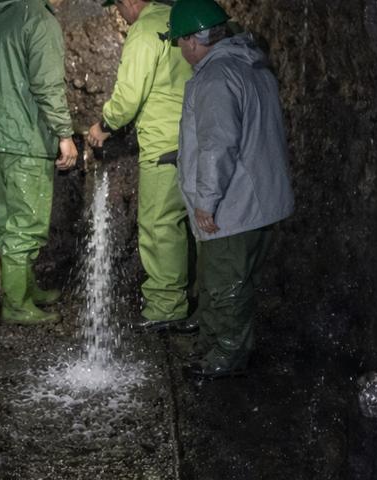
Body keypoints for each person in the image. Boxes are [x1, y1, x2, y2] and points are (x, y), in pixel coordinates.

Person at [169, 0, 294, 378]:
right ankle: (213, 339)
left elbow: (218, 144)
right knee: (227, 279)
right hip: (257, 197)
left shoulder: (215, 76)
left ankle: (227, 355)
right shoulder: (249, 65)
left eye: (179, 41)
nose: (180, 50)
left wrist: (205, 201)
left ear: (193, 40)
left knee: (228, 285)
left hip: (234, 205)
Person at [0, 0, 78, 325]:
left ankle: (25, 290)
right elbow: (47, 83)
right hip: (25, 139)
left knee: (7, 220)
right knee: (26, 224)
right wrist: (64, 134)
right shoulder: (39, 19)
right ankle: (16, 306)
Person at [86, 0, 193, 332]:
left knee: (160, 226)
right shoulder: (183, 17)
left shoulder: (145, 29)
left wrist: (103, 126)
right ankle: (196, 301)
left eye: (118, 4)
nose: (119, 12)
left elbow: (128, 97)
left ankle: (166, 307)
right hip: (200, 139)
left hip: (164, 142)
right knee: (195, 229)